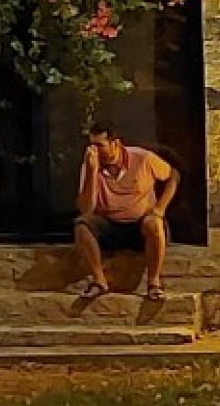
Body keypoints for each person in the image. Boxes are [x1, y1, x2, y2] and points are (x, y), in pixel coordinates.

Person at [72, 126, 176, 301]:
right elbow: (86, 209)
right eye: (91, 146)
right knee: (82, 226)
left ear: (116, 144)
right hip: (111, 224)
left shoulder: (142, 158)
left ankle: (154, 283)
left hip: (141, 223)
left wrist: (160, 208)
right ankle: (99, 281)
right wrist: (91, 172)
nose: (94, 151)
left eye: (100, 146)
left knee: (154, 223)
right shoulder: (91, 166)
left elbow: (173, 176)